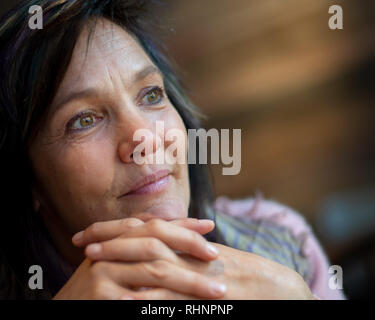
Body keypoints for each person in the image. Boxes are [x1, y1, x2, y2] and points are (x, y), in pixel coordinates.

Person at [0, 0, 345, 300]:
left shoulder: (282, 241)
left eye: (151, 95)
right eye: (84, 120)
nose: (145, 139)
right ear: (29, 180)